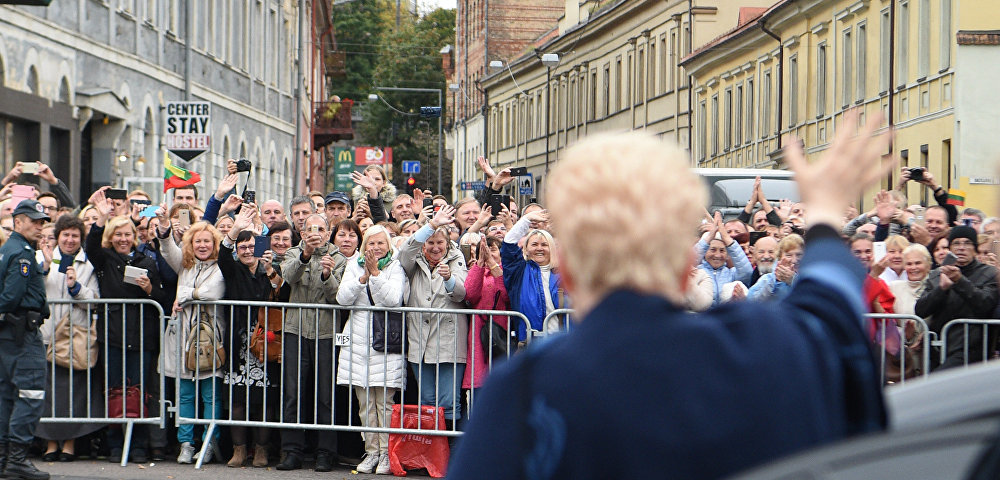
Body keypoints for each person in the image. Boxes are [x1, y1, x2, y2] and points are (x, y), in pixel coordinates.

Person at [450, 113, 889, 479]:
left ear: (569, 269)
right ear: (685, 265)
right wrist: (826, 215)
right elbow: (832, 312)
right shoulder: (764, 346)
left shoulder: (524, 394)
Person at [86, 190, 169, 464]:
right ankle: (114, 445)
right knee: (114, 391)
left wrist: (149, 290)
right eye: (118, 235)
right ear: (112, 238)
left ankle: (138, 446)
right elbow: (92, 246)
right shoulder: (105, 258)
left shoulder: (146, 261)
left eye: (127, 235)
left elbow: (161, 297)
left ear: (134, 237)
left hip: (142, 337)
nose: (123, 239)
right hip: (112, 335)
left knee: (139, 392)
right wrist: (101, 217)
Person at [336, 225, 406, 475]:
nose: (376, 248)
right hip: (357, 341)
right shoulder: (354, 265)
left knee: (384, 402)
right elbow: (342, 298)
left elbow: (392, 299)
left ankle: (387, 452)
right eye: (371, 243)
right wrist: (362, 278)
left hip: (386, 340)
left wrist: (375, 275)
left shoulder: (396, 266)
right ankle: (372, 450)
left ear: (388, 245)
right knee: (364, 403)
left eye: (380, 243)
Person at [277, 214, 344, 471]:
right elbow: (289, 278)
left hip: (325, 330)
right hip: (295, 328)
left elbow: (338, 297)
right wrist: (305, 254)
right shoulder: (293, 253)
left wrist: (327, 274)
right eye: (309, 229)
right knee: (293, 393)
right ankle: (291, 451)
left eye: (320, 229)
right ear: (302, 233)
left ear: (328, 233)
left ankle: (325, 452)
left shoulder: (338, 258)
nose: (315, 233)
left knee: (325, 395)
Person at [156, 218, 226, 465]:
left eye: (207, 241)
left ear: (215, 243)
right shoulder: (184, 265)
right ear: (191, 243)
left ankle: (209, 443)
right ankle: (186, 443)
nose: (203, 245)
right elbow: (167, 249)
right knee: (184, 395)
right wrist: (164, 229)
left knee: (211, 396)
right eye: (198, 241)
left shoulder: (220, 266)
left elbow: (213, 293)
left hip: (209, 338)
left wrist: (185, 295)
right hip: (182, 338)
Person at [35, 216, 103, 463]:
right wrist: (42, 268)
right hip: (46, 335)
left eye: (75, 235)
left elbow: (95, 300)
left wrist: (77, 289)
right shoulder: (42, 259)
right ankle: (50, 444)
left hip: (75, 338)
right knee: (48, 393)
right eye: (66, 235)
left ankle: (70, 446)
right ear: (58, 236)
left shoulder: (88, 265)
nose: (70, 240)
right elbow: (34, 290)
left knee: (74, 393)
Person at [218, 207, 280, 468]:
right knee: (238, 399)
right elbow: (222, 254)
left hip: (266, 342)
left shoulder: (269, 268)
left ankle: (262, 450)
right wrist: (234, 230)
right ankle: (239, 450)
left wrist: (271, 272)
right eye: (242, 246)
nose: (246, 250)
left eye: (251, 246)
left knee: (264, 401)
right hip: (239, 343)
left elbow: (281, 291)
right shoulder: (232, 269)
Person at [398, 205, 469, 427]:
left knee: (449, 401)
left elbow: (461, 294)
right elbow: (404, 253)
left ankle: (450, 452)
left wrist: (448, 279)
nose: (436, 247)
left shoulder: (456, 258)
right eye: (431, 242)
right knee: (426, 400)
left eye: (440, 243)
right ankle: (430, 453)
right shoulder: (414, 260)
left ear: (448, 244)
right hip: (420, 340)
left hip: (448, 340)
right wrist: (431, 225)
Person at [0, 200, 51, 480]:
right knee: (30, 394)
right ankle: (16, 460)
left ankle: (5, 459)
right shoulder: (20, 253)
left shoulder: (9, 248)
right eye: (35, 220)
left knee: (7, 396)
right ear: (18, 221)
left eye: (43, 221)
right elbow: (11, 296)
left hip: (9, 335)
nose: (40, 226)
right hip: (22, 335)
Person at [915, 226, 999, 369]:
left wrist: (959, 281)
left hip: (970, 346)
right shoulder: (937, 274)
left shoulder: (990, 273)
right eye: (956, 243)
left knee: (939, 383)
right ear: (950, 248)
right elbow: (920, 310)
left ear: (975, 249)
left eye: (967, 243)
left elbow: (985, 304)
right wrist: (941, 289)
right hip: (937, 345)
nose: (961, 248)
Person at [502, 210, 564, 337]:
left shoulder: (562, 274)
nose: (539, 248)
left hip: (562, 344)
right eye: (534, 244)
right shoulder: (519, 271)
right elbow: (509, 243)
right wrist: (526, 219)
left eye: (544, 245)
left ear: (552, 248)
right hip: (530, 343)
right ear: (526, 249)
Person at [463, 236, 511, 389]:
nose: (489, 253)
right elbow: (470, 294)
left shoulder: (508, 271)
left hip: (502, 330)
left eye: (493, 249)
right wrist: (480, 264)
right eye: (485, 250)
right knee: (480, 380)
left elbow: (507, 295)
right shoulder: (476, 271)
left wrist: (493, 265)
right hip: (479, 332)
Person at [696, 212, 753, 305]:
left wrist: (726, 237)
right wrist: (710, 236)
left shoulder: (732, 274)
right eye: (713, 250)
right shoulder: (697, 271)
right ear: (705, 251)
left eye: (722, 250)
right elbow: (686, 266)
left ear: (727, 254)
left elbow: (747, 272)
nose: (717, 255)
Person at [747, 234, 803, 301]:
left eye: (799, 255)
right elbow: (752, 300)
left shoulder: (811, 275)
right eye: (789, 255)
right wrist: (774, 280)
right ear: (780, 257)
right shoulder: (768, 278)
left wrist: (793, 280)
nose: (794, 260)